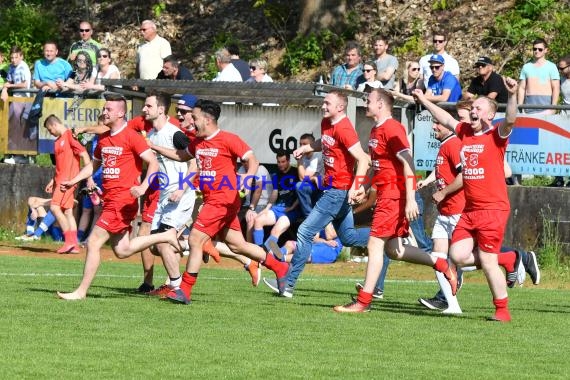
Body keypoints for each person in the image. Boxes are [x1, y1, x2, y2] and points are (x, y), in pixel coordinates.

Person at [149, 99, 290, 304]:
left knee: (195, 239)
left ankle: (184, 290)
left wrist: (249, 176)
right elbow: (181, 155)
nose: (191, 121)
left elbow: (253, 160)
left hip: (222, 199)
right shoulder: (198, 142)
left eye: (194, 117)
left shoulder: (228, 139)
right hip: (215, 200)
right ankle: (279, 266)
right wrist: (154, 146)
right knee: (238, 246)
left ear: (206, 120)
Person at [333, 89, 456, 313]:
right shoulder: (375, 130)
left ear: (380, 104)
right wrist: (364, 187)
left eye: (368, 100)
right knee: (393, 250)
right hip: (386, 194)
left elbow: (408, 163)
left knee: (374, 244)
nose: (365, 103)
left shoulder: (392, 128)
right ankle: (441, 262)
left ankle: (364, 301)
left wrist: (410, 200)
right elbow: (377, 165)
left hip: (394, 196)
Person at [413, 77, 525, 322]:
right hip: (470, 210)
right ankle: (507, 258)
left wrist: (513, 95)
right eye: (472, 109)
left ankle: (502, 311)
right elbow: (446, 118)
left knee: (486, 259)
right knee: (457, 255)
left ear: (489, 116)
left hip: (493, 209)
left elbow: (511, 119)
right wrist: (422, 100)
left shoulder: (496, 135)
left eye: (478, 109)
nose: (473, 111)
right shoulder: (465, 133)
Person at [56, 93, 182, 300]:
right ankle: (165, 236)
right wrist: (73, 180)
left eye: (108, 109)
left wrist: (142, 187)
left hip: (123, 201)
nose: (104, 112)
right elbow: (93, 166)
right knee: (122, 250)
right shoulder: (104, 138)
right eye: (104, 109)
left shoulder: (132, 136)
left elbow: (153, 163)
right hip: (110, 200)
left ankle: (81, 291)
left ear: (121, 113)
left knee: (94, 242)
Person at [264, 91, 371, 298]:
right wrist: (306, 148)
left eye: (327, 103)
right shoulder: (326, 123)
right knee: (348, 237)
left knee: (304, 232)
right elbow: (325, 142)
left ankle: (288, 283)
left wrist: (356, 187)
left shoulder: (346, 128)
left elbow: (364, 160)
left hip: (336, 192)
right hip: (331, 189)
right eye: (323, 103)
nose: (323, 106)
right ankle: (382, 235)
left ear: (340, 107)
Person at [139, 91, 197, 298]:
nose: (144, 109)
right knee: (155, 246)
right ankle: (198, 247)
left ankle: (177, 287)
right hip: (165, 197)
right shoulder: (152, 135)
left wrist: (181, 188)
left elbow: (194, 163)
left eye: (149, 106)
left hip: (180, 194)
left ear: (161, 109)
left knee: (162, 242)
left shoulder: (174, 134)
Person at [42, 115, 91, 253]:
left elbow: (84, 154)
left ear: (55, 125)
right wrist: (53, 180)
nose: (50, 133)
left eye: (50, 129)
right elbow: (59, 166)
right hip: (59, 181)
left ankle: (68, 242)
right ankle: (74, 245)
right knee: (69, 212)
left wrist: (89, 176)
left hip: (67, 182)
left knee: (54, 207)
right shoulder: (57, 142)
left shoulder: (69, 135)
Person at [251, 151, 299, 251]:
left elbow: (301, 194)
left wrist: (293, 207)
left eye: (283, 162)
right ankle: (258, 252)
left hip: (291, 211)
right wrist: (267, 208)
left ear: (289, 161)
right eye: (278, 162)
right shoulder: (276, 175)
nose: (280, 164)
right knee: (258, 221)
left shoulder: (296, 173)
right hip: (277, 208)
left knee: (274, 231)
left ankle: (276, 256)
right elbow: (275, 193)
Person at [518, 38, 560, 115]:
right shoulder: (526, 67)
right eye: (535, 49)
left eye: (540, 49)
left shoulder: (552, 67)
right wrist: (519, 107)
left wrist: (553, 108)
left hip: (546, 110)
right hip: (528, 110)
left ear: (546, 50)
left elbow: (556, 88)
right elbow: (521, 88)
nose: (537, 51)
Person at [549, 55, 570, 187]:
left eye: (562, 68)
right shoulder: (561, 79)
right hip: (563, 115)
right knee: (559, 145)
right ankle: (559, 178)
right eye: (558, 68)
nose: (560, 70)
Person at [294, 133, 323, 218]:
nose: (302, 147)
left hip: (322, 189)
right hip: (311, 187)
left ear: (312, 144)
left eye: (305, 144)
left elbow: (303, 178)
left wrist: (299, 161)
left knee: (300, 186)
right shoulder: (303, 157)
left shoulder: (317, 155)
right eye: (300, 144)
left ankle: (309, 217)